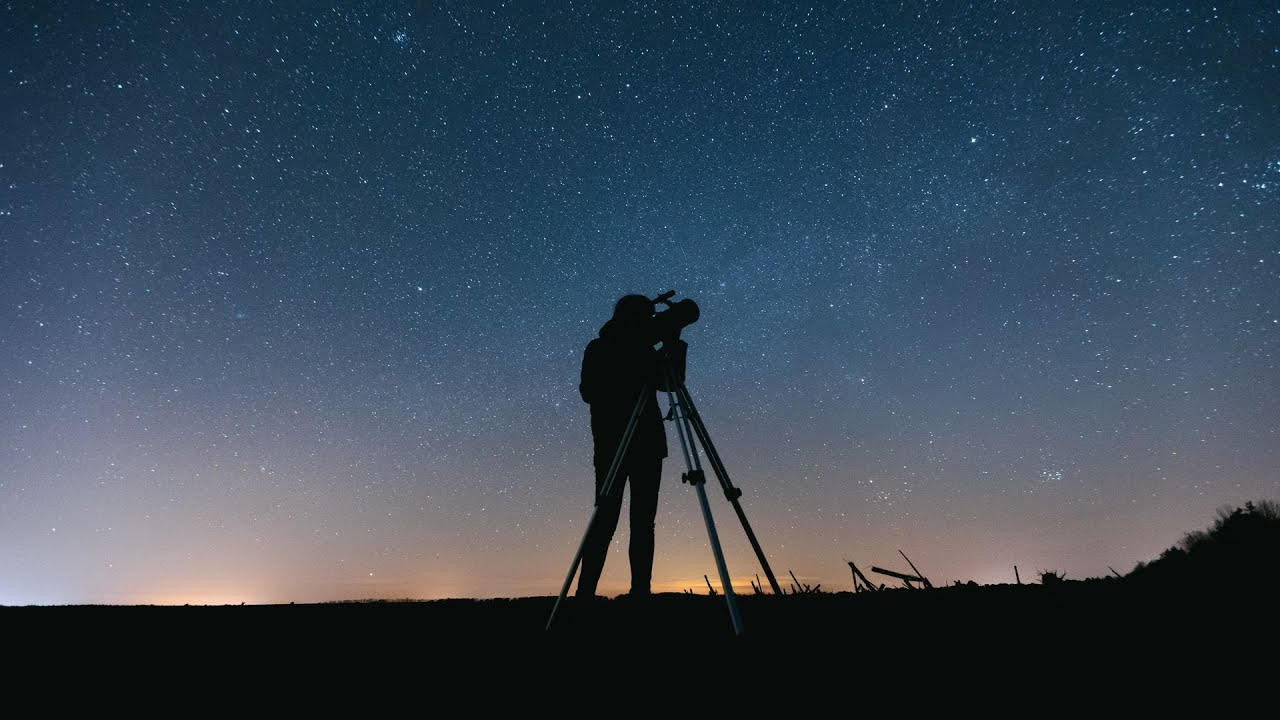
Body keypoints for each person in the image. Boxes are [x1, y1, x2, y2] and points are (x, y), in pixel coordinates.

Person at [575, 294, 669, 599]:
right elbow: (589, 391)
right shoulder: (600, 347)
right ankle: (585, 594)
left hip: (648, 445)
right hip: (612, 444)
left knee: (644, 523)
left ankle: (641, 593)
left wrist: (674, 342)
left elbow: (671, 383)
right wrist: (629, 359)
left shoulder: (648, 350)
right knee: (604, 519)